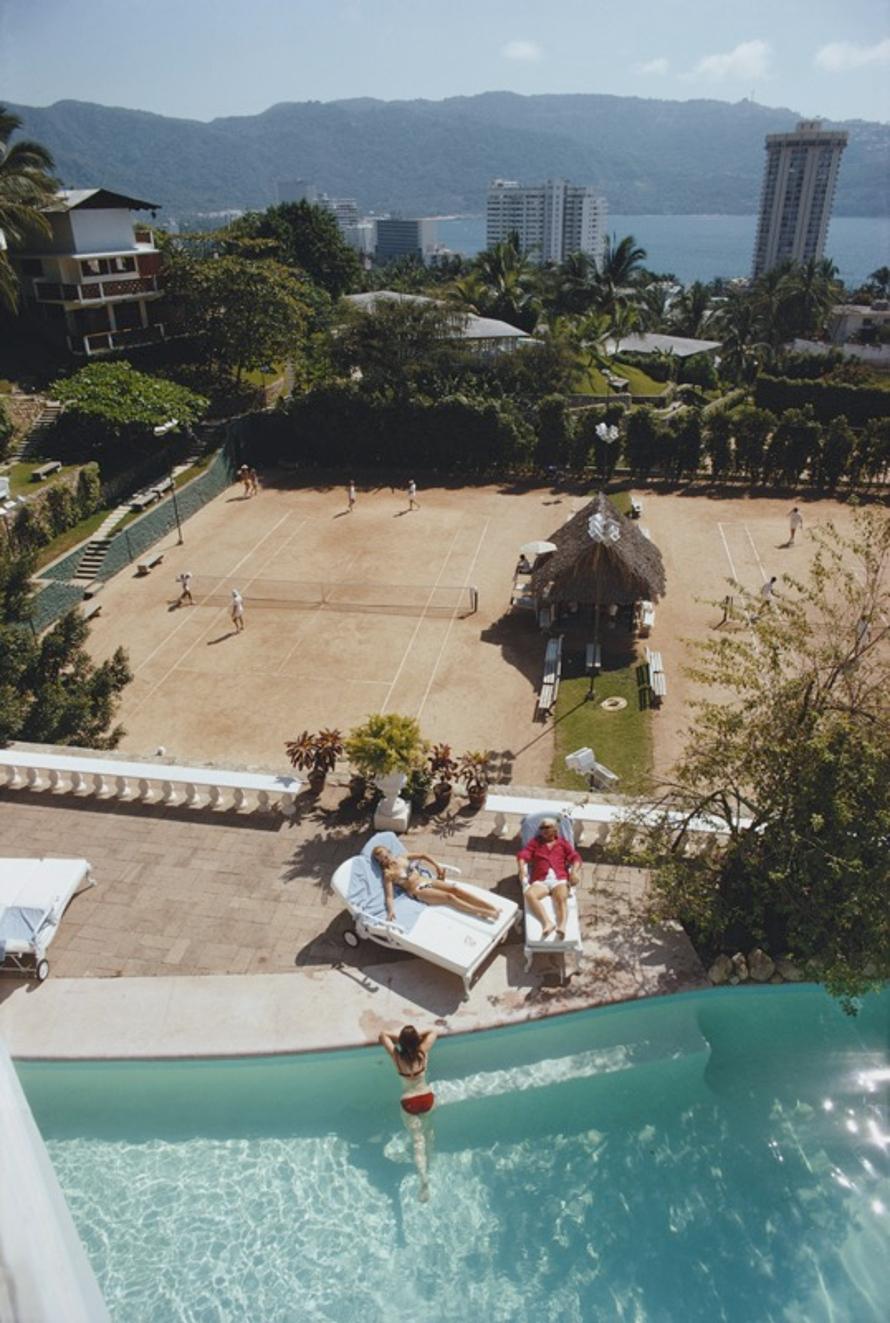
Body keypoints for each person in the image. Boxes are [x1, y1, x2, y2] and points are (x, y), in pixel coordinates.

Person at [379, 1025, 438, 1200]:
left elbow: (383, 1034)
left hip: (409, 1101)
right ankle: (431, 1162)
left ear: (402, 1043)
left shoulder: (397, 1057)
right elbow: (434, 1032)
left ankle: (424, 1179)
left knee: (417, 1140)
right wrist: (417, 1039)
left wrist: (398, 1038)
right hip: (427, 1098)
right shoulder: (423, 1052)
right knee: (429, 1132)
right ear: (416, 1041)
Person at [371, 845, 500, 921]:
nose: (385, 860)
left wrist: (437, 866)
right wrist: (391, 911)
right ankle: (484, 912)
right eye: (381, 860)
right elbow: (389, 896)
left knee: (455, 889)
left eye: (385, 856)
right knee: (450, 897)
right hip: (418, 890)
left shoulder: (402, 857)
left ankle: (491, 907)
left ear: (389, 851)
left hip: (426, 881)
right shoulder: (388, 874)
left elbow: (423, 855)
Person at [516, 816, 582, 940]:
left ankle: (562, 926)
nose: (543, 830)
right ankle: (547, 923)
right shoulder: (536, 842)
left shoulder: (562, 843)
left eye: (547, 827)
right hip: (541, 880)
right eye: (541, 828)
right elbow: (523, 855)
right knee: (529, 895)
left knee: (561, 898)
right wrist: (521, 868)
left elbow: (575, 857)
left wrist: (574, 872)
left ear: (555, 829)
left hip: (559, 879)